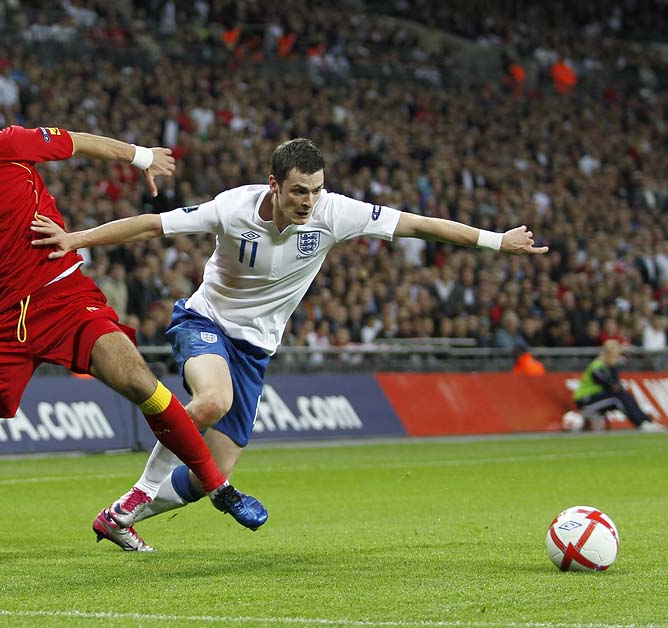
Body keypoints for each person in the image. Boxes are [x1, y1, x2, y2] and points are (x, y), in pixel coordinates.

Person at [30, 137, 549, 551]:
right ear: (274, 184)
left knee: (216, 471)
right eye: (300, 191)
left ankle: (119, 517)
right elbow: (151, 226)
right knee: (212, 400)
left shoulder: (333, 213)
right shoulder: (233, 207)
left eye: (316, 190)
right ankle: (141, 489)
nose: (309, 202)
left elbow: (418, 225)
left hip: (256, 349)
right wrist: (77, 239)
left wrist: (495, 241)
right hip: (206, 321)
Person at [0, 88, 266, 558]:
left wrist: (141, 156)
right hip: (0, 323)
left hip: (64, 298)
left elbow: (75, 142)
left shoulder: (6, 145)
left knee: (138, 381)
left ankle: (219, 488)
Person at [573, 339, 667, 432]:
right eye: (615, 355)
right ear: (608, 354)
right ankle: (641, 423)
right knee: (617, 398)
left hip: (598, 397)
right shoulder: (597, 367)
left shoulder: (606, 366)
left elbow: (615, 386)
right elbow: (612, 385)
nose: (617, 358)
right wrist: (614, 368)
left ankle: (647, 421)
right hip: (586, 401)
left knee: (625, 395)